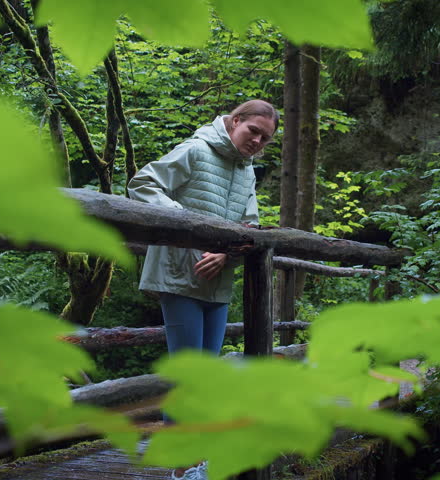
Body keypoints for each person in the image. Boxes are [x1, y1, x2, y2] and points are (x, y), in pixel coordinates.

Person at [128, 99, 279, 480]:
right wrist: (187, 225)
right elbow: (142, 183)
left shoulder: (247, 172)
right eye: (253, 132)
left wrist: (226, 257)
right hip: (179, 276)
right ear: (235, 121)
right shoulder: (196, 150)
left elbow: (251, 226)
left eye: (266, 138)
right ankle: (182, 468)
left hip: (217, 284)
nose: (257, 142)